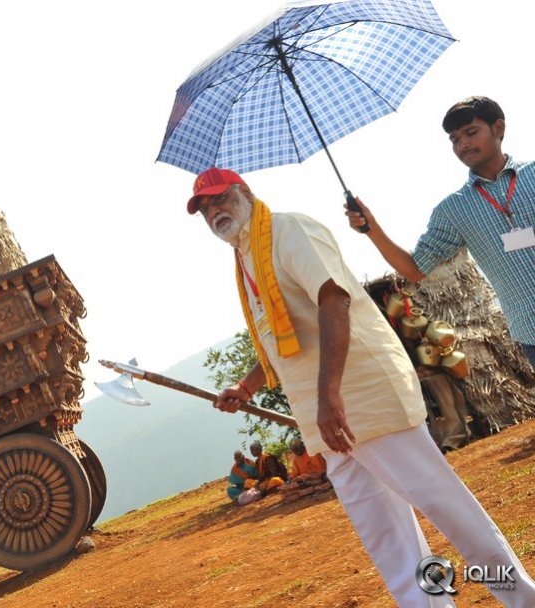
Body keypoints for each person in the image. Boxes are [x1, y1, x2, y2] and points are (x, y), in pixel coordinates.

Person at [187, 166, 535, 607]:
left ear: (245, 192)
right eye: (204, 208)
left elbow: (334, 299)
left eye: (220, 198)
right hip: (329, 425)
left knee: (451, 514)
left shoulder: (288, 230)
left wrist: (330, 396)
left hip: (362, 401)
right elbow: (283, 335)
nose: (214, 210)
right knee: (391, 542)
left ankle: (522, 599)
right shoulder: (246, 254)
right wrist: (247, 385)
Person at [345, 96, 535, 367]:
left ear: (499, 128)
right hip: (531, 333)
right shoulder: (454, 210)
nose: (463, 144)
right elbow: (414, 269)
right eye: (455, 140)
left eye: (470, 133)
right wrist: (372, 228)